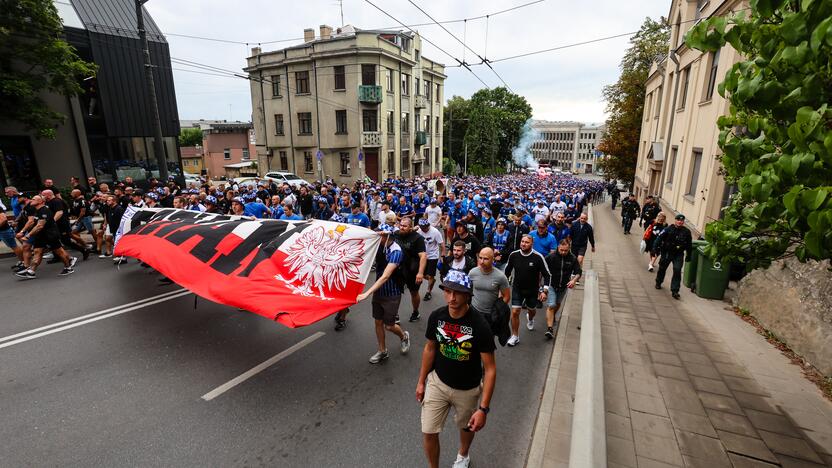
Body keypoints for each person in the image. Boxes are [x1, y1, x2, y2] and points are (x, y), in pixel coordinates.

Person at [416, 270, 496, 468]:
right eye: (448, 291)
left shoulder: (479, 325)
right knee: (428, 430)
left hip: (467, 389)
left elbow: (490, 369)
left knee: (466, 427)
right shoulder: (437, 317)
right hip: (438, 382)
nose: (452, 298)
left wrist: (483, 409)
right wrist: (421, 381)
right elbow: (430, 348)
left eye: (457, 293)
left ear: (467, 295)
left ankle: (463, 455)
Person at [355, 224, 411, 363]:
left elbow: (385, 276)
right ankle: (382, 351)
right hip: (379, 291)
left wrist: (366, 293)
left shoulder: (396, 252)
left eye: (381, 235)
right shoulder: (378, 245)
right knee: (378, 322)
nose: (378, 236)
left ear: (388, 237)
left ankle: (404, 336)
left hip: (392, 293)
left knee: (389, 325)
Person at [504, 234, 551, 346]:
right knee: (515, 312)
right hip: (517, 288)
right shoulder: (514, 255)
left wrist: (544, 291)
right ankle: (515, 336)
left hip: (532, 290)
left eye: (526, 242)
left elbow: (547, 274)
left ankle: (530, 319)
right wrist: (503, 284)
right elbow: (507, 271)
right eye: (522, 242)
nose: (523, 244)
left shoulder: (538, 257)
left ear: (532, 244)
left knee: (532, 310)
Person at [14, 195, 77, 279]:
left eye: (33, 199)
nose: (31, 200)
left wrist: (28, 235)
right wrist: (23, 231)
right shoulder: (37, 210)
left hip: (50, 235)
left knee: (59, 252)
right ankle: (31, 271)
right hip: (41, 235)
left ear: (40, 201)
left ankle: (68, 267)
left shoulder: (44, 211)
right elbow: (33, 223)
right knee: (37, 251)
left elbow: (39, 226)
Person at [543, 240, 581, 339]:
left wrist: (574, 280)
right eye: (561, 250)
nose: (563, 252)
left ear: (569, 249)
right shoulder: (551, 257)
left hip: (563, 286)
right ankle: (550, 329)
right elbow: (542, 268)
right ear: (558, 248)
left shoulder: (572, 258)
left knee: (558, 304)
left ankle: (551, 317)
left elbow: (578, 272)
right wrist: (541, 285)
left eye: (566, 250)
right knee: (551, 305)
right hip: (551, 285)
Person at [394, 217, 427, 322]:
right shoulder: (396, 234)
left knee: (414, 292)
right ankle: (395, 314)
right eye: (401, 225)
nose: (402, 228)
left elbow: (423, 256)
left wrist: (420, 273)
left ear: (410, 227)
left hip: (412, 270)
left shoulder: (418, 238)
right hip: (399, 269)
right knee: (396, 292)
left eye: (405, 226)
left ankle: (415, 312)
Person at [655, 214, 693, 299]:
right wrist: (655, 249)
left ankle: (675, 290)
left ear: (683, 222)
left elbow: (689, 245)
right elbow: (659, 238)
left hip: (678, 254)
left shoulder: (686, 232)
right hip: (667, 252)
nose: (680, 222)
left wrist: (689, 255)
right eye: (678, 220)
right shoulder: (668, 229)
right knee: (662, 268)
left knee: (677, 270)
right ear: (675, 220)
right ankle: (658, 282)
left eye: (681, 220)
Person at [468, 247, 510, 316]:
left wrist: (498, 309)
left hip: (491, 315)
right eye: (480, 258)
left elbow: (507, 296)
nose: (482, 261)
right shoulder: (472, 272)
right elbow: (467, 291)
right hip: (474, 312)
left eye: (486, 259)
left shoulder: (500, 276)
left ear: (492, 259)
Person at [418, 218, 445, 301]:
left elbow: (441, 243)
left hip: (433, 256)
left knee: (430, 275)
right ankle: (432, 279)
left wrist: (443, 255)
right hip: (422, 256)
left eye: (425, 228)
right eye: (422, 228)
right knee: (422, 275)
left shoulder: (435, 232)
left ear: (428, 225)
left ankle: (428, 292)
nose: (424, 230)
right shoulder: (419, 231)